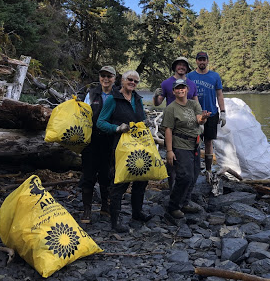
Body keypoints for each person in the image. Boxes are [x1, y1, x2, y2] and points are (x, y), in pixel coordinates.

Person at [97, 70, 150, 232]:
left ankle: (137, 212)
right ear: (122, 80)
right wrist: (117, 128)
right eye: (130, 79)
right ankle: (115, 220)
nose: (132, 83)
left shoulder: (137, 99)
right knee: (120, 182)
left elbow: (140, 119)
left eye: (135, 81)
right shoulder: (113, 99)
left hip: (138, 145)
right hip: (120, 147)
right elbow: (100, 122)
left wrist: (145, 122)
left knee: (142, 178)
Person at [161, 79, 210, 218]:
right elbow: (168, 130)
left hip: (194, 144)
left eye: (183, 88)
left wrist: (204, 118)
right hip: (179, 144)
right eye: (177, 88)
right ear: (173, 91)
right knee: (184, 176)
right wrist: (169, 151)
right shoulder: (171, 108)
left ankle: (185, 202)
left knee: (194, 175)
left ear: (187, 90)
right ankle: (173, 206)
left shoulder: (193, 104)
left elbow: (199, 120)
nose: (180, 90)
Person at [153, 56, 198, 190]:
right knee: (171, 155)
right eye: (179, 65)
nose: (181, 67)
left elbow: (196, 104)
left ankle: (185, 189)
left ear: (187, 68)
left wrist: (200, 121)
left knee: (189, 158)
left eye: (184, 65)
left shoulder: (192, 84)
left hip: (188, 126)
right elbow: (158, 103)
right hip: (171, 124)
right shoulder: (166, 83)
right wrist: (156, 95)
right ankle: (172, 186)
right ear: (174, 67)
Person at [79, 66, 117, 224]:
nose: (106, 79)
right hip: (91, 140)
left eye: (109, 76)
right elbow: (83, 115)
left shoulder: (118, 95)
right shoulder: (92, 93)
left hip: (110, 140)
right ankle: (87, 209)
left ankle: (105, 207)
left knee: (107, 175)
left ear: (115, 78)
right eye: (103, 76)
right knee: (88, 174)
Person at [187, 51, 226, 181]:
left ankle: (208, 170)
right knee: (194, 141)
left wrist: (223, 112)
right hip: (195, 114)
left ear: (207, 61)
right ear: (196, 61)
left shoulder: (214, 76)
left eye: (204, 60)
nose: (202, 62)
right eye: (200, 60)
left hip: (211, 114)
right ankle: (194, 169)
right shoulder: (190, 76)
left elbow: (219, 94)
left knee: (209, 142)